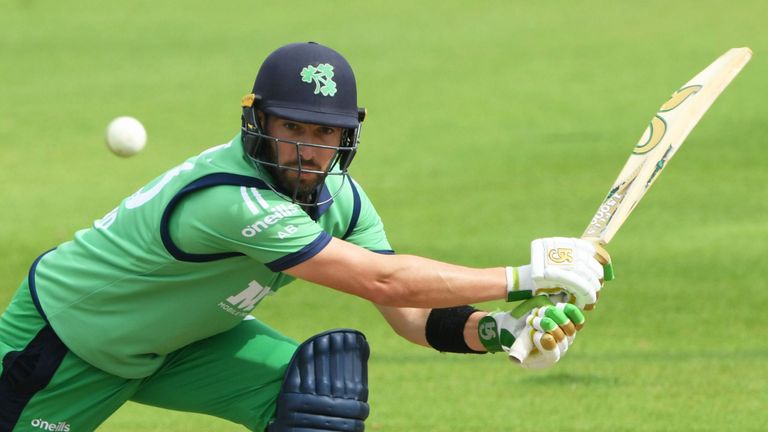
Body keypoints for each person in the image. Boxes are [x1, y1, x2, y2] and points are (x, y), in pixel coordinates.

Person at [0, 42, 612, 431]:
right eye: (292, 126)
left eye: (325, 133)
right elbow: (381, 278)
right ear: (257, 120)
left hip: (186, 344)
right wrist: (529, 274)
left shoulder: (338, 198)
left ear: (348, 134)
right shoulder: (227, 200)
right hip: (65, 344)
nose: (308, 148)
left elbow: (409, 311)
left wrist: (501, 331)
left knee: (321, 400)